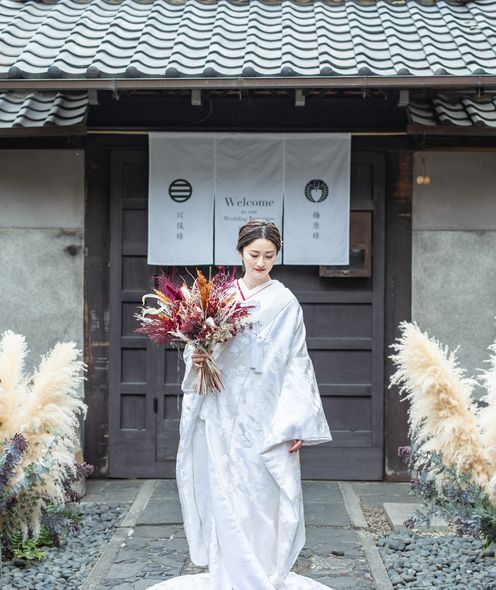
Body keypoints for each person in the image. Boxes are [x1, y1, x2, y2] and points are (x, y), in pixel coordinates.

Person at [147, 219, 333, 590]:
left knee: (262, 489)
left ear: (277, 255)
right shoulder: (220, 299)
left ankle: (261, 571)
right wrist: (196, 357)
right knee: (223, 486)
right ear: (240, 252)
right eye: (254, 254)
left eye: (269, 255)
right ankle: (228, 573)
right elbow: (196, 346)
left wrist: (297, 421)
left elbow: (297, 361)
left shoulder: (286, 303)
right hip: (221, 402)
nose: (261, 262)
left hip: (267, 407)